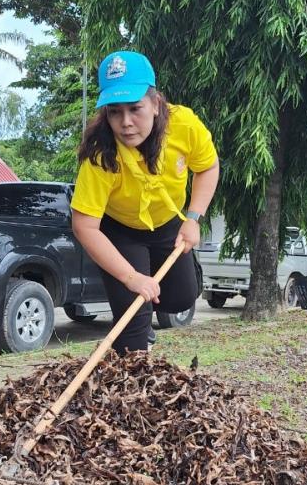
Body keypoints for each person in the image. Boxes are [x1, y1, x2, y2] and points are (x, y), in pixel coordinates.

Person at [71, 50, 220, 353]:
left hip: (168, 222)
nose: (125, 123)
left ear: (155, 103)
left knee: (180, 298)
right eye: (115, 111)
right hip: (121, 230)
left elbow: (207, 166)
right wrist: (131, 277)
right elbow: (84, 226)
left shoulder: (184, 125)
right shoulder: (101, 155)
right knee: (133, 327)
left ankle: (145, 300)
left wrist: (193, 218)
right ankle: (131, 368)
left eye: (135, 108)